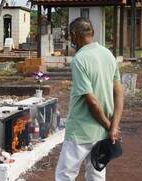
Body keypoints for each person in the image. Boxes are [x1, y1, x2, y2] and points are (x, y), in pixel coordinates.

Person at [55, 17, 124, 181]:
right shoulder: (108, 54)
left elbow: (91, 101)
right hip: (102, 132)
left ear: (74, 35)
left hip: (81, 129)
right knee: (96, 175)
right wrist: (113, 127)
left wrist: (110, 126)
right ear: (92, 33)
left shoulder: (79, 59)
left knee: (64, 175)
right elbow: (119, 92)